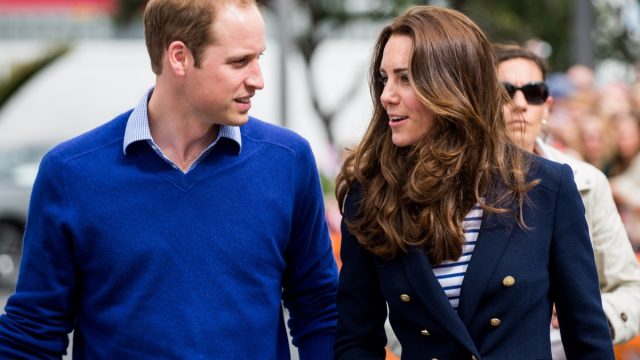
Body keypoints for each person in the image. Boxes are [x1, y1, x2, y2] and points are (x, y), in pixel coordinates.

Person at [0, 0, 338, 358]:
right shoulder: (71, 174)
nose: (258, 79)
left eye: (259, 58)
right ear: (179, 57)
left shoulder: (287, 162)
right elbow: (32, 335)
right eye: (240, 61)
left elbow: (321, 309)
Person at [334, 5, 614, 359]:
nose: (387, 94)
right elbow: (356, 341)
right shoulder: (371, 196)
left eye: (405, 77)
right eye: (384, 78)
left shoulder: (546, 187)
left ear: (453, 85)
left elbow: (588, 341)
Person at [494, 44, 640, 358]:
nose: (520, 103)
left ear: (547, 106)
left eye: (533, 92)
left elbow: (631, 290)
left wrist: (588, 314)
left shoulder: (585, 181)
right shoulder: (453, 184)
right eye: (505, 92)